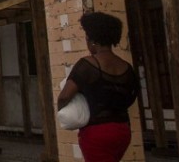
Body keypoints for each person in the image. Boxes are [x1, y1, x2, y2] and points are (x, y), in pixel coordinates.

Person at [57, 12, 140, 162]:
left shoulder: (87, 65)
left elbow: (64, 96)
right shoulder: (126, 67)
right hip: (123, 131)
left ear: (92, 40)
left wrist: (64, 112)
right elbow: (131, 97)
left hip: (97, 132)